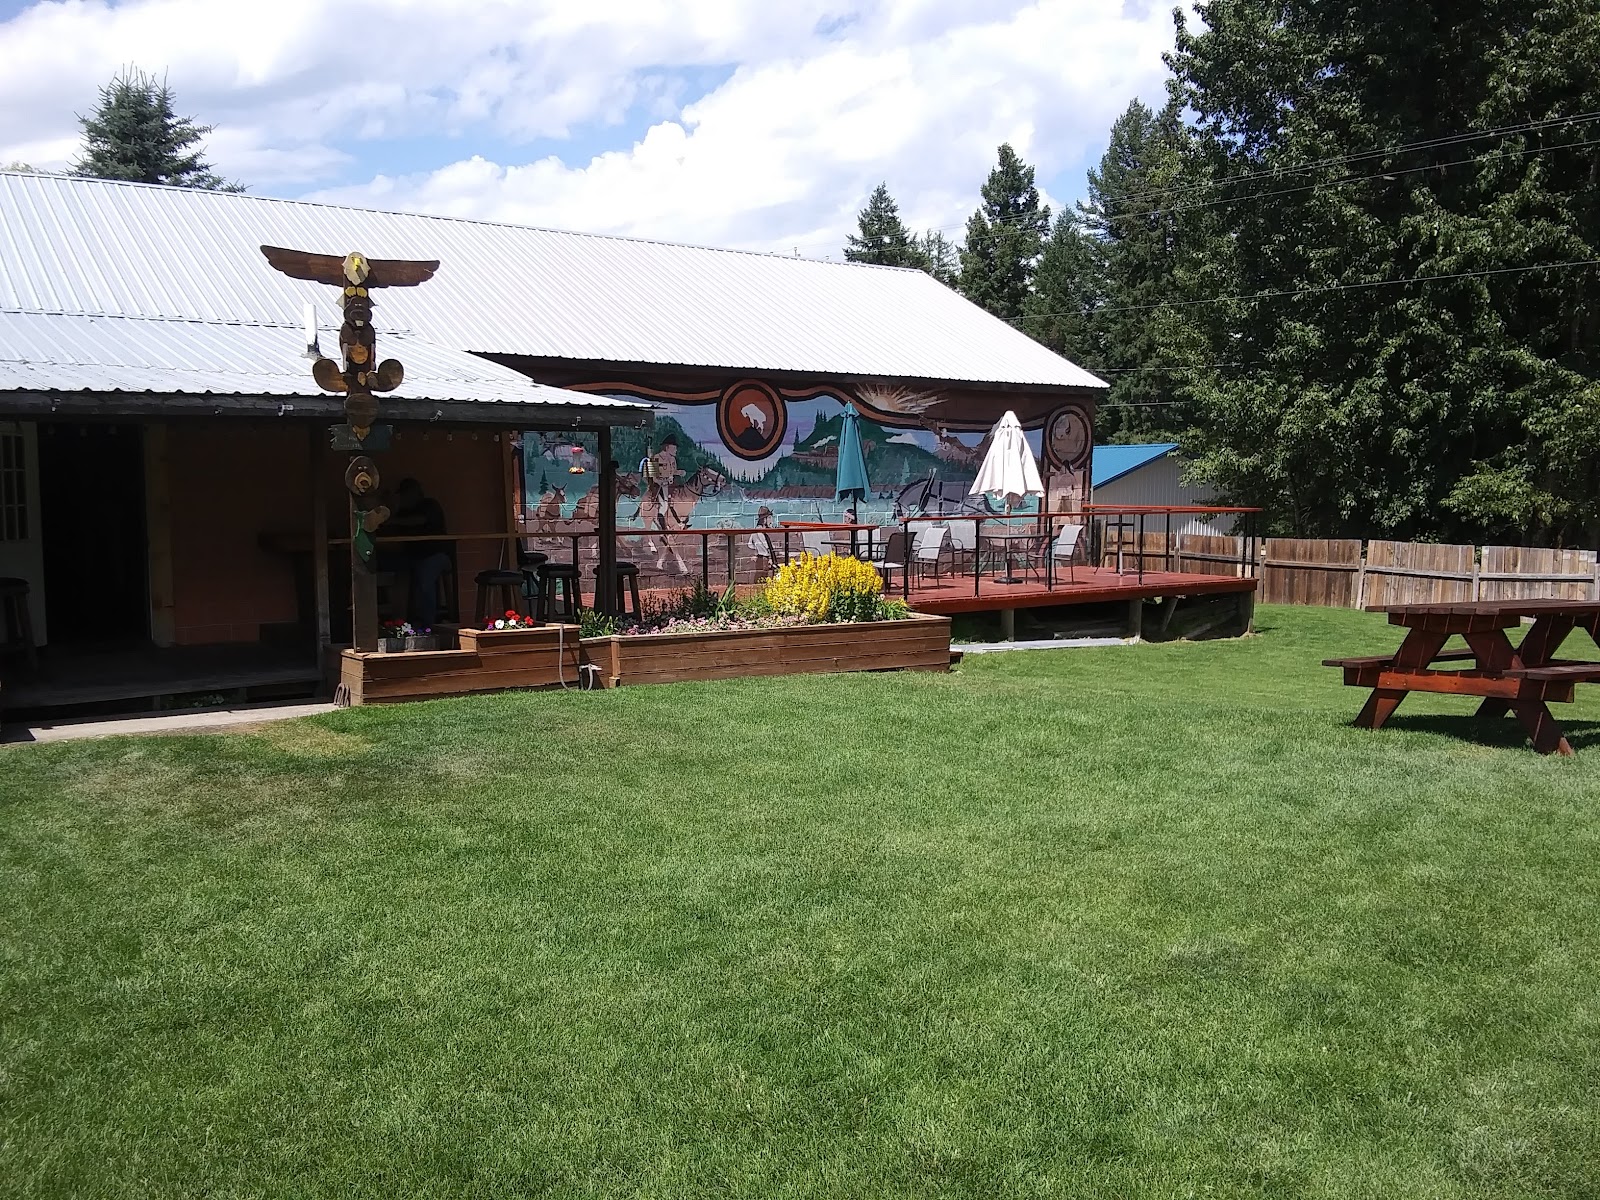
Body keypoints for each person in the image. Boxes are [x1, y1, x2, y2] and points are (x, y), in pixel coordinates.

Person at [377, 478, 454, 628]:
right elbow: (391, 531)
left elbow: (419, 520)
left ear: (416, 492)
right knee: (377, 562)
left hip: (436, 555)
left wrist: (392, 521)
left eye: (406, 494)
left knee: (425, 576)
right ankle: (391, 621)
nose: (405, 498)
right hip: (412, 557)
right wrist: (384, 510)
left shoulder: (430, 505)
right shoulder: (403, 511)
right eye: (403, 495)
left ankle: (426, 625)